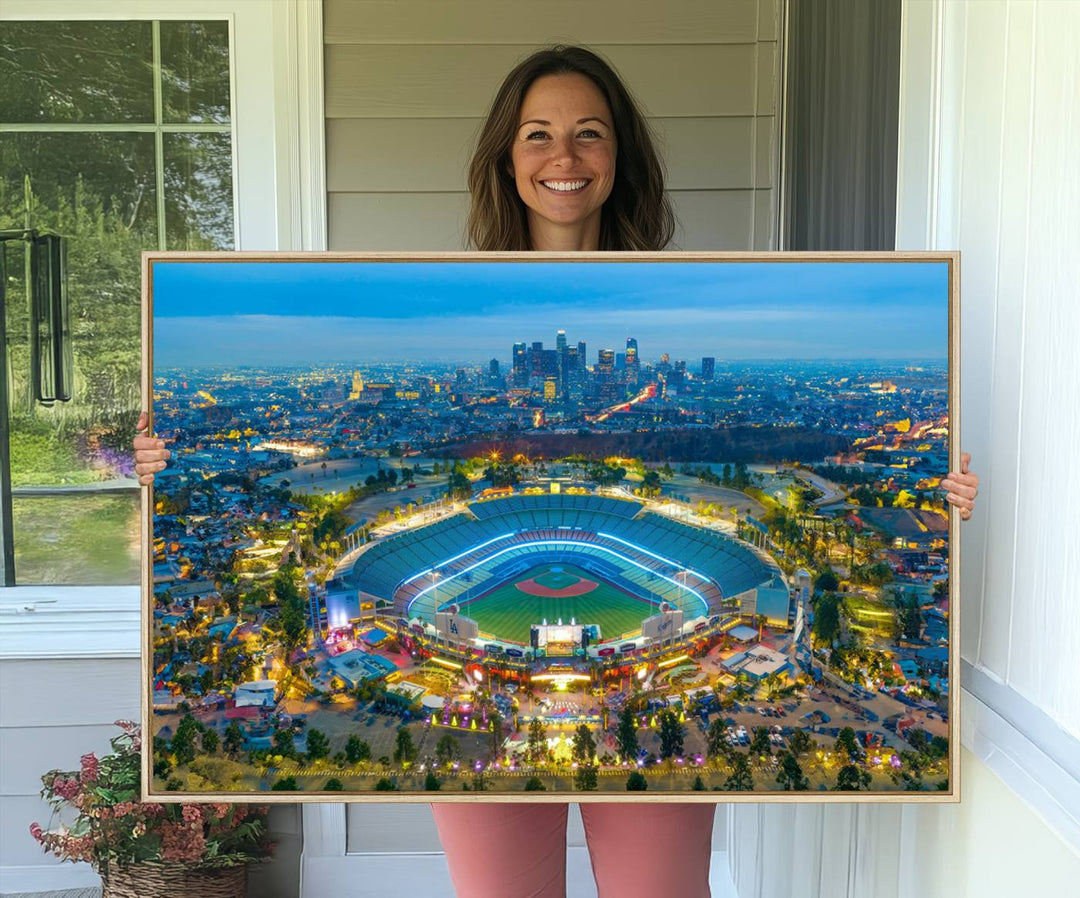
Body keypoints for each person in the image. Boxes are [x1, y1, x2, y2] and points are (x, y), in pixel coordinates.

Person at [134, 44, 980, 898]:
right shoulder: (466, 321)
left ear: (620, 158)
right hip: (508, 727)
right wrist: (160, 469)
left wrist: (936, 503)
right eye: (538, 134)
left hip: (640, 721)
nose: (563, 157)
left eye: (589, 134)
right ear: (507, 158)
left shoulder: (671, 308)